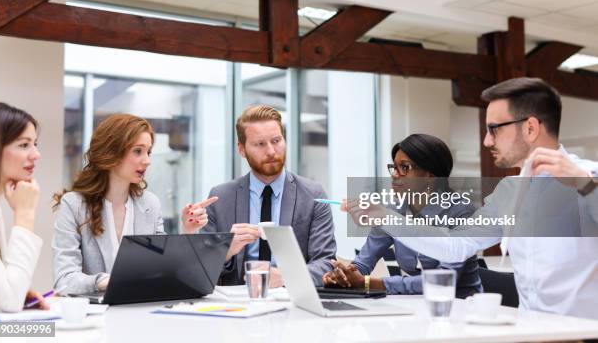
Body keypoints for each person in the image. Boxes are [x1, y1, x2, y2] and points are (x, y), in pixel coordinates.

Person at [352, 78, 598, 319]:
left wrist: (585, 185)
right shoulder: (509, 192)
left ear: (530, 128)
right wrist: (383, 217)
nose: (487, 140)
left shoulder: (589, 176)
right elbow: (455, 246)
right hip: (528, 332)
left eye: (494, 129)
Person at [52, 113, 216, 295]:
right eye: (138, 151)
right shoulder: (74, 205)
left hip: (141, 310)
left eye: (148, 152)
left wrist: (188, 231)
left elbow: (167, 268)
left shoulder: (150, 204)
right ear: (111, 152)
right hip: (95, 314)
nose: (147, 160)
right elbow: (64, 279)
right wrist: (106, 281)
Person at [323, 134, 482, 298]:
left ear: (430, 176)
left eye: (405, 168)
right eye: (394, 167)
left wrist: (368, 283)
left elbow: (441, 282)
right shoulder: (394, 210)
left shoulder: (461, 212)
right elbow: (364, 261)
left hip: (460, 307)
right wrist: (346, 275)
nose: (395, 174)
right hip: (414, 305)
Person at [202, 105, 336, 287]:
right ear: (242, 150)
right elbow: (201, 268)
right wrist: (225, 251)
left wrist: (286, 276)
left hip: (293, 300)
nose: (272, 151)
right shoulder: (219, 198)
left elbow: (326, 263)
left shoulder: (313, 195)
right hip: (237, 303)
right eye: (260, 144)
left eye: (276, 140)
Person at [0, 102, 49, 312]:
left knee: (50, 331)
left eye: (35, 144)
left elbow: (6, 292)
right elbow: (10, 301)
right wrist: (25, 214)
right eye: (24, 145)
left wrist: (19, 291)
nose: (36, 155)